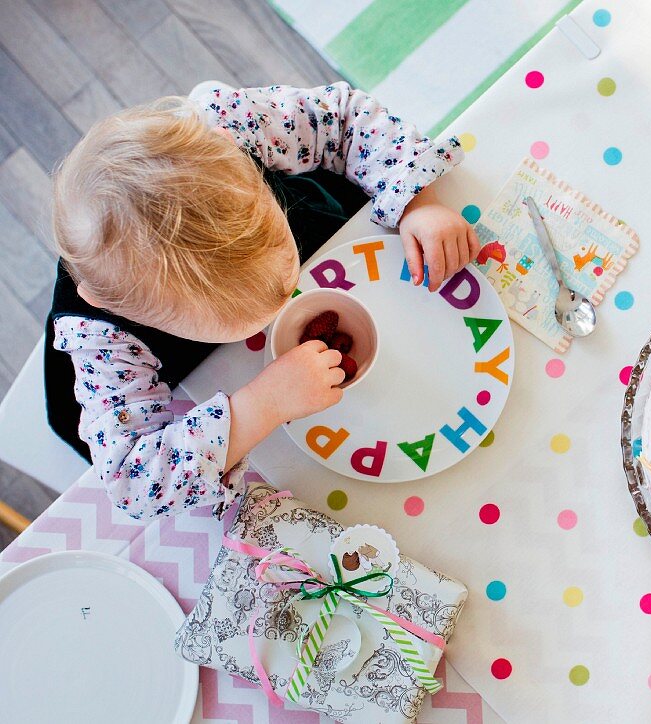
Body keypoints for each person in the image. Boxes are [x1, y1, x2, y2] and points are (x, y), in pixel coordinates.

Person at [45, 83, 479, 519]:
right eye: (243, 317)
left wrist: (418, 202)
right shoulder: (101, 335)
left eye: (280, 276)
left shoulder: (226, 126)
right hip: (207, 393)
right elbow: (134, 481)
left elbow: (345, 120)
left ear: (232, 151)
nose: (284, 303)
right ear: (112, 304)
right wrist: (266, 402)